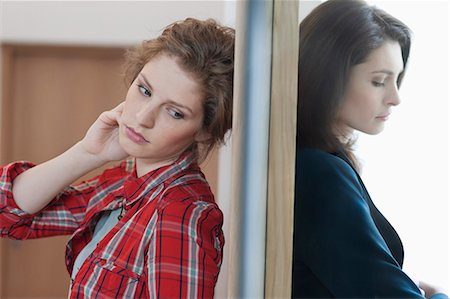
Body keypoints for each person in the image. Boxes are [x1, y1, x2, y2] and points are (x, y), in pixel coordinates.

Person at [0, 18, 234, 298]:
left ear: (204, 132)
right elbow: (8, 213)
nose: (142, 117)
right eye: (144, 90)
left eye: (174, 112)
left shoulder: (181, 214)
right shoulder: (123, 181)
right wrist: (87, 152)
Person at [292, 0, 448, 298]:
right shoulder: (319, 173)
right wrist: (438, 294)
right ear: (328, 76)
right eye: (379, 81)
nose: (395, 97)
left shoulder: (318, 162)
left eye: (397, 79)